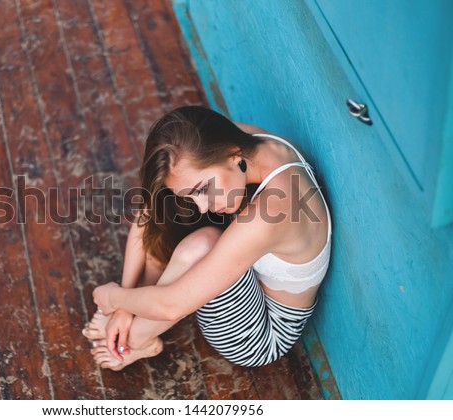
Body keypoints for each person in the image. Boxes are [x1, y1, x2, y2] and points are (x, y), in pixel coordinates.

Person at [82, 105, 332, 370]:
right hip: (249, 272)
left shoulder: (271, 212)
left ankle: (135, 340)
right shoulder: (243, 141)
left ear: (233, 155)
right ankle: (130, 315)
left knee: (202, 245)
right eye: (193, 194)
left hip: (260, 335)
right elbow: (150, 211)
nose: (202, 206)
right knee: (167, 205)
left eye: (203, 189)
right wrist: (124, 302)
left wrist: (114, 298)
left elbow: (172, 306)